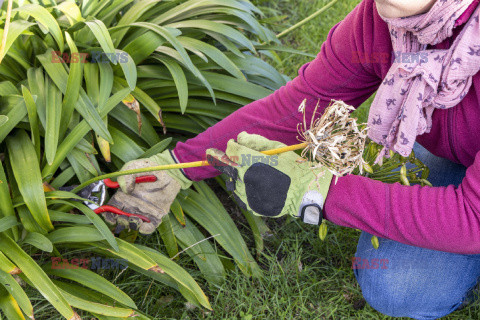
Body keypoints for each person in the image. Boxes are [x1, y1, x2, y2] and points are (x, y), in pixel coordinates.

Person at [103, 0, 480, 318]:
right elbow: (297, 108)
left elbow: (473, 218)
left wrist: (316, 192)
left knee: (418, 275)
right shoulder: (384, 20)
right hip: (459, 156)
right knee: (399, 286)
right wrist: (181, 165)